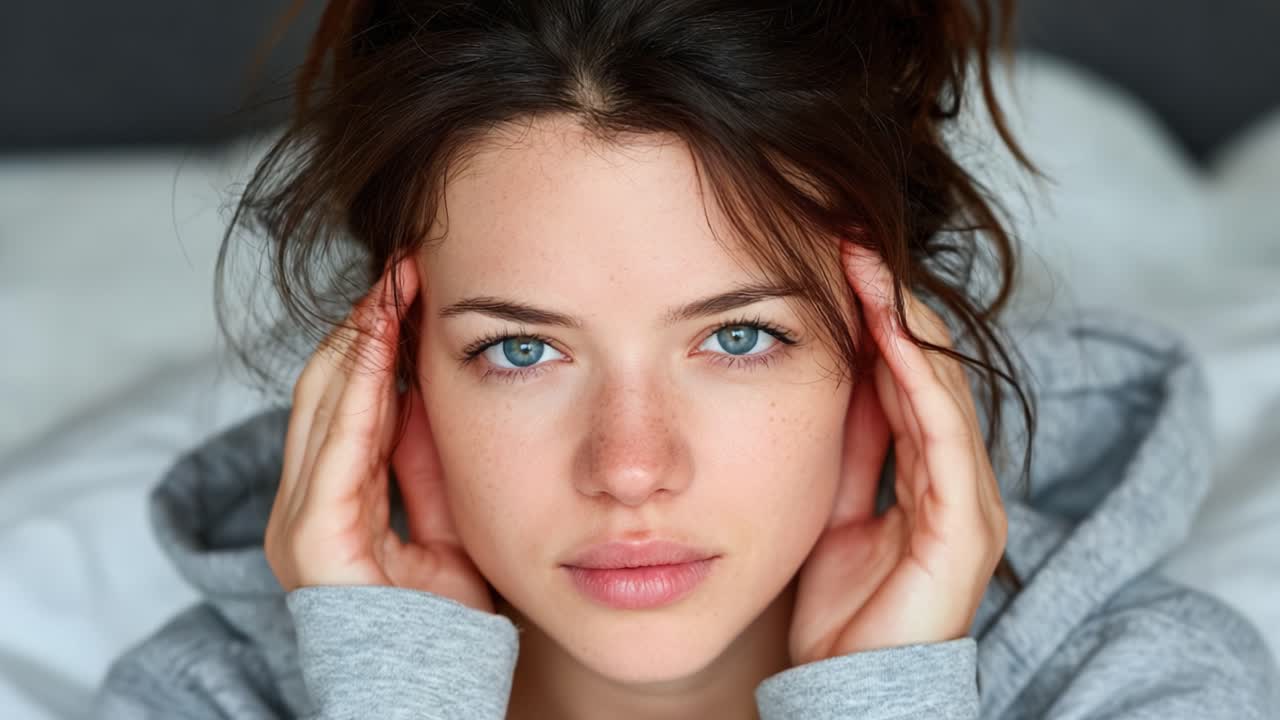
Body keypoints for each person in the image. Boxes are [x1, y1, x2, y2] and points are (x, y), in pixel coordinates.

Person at [94, 1, 1278, 718]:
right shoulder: (202, 700)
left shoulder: (1138, 685)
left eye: (738, 336)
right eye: (519, 348)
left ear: (887, 348)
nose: (628, 468)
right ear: (392, 367)